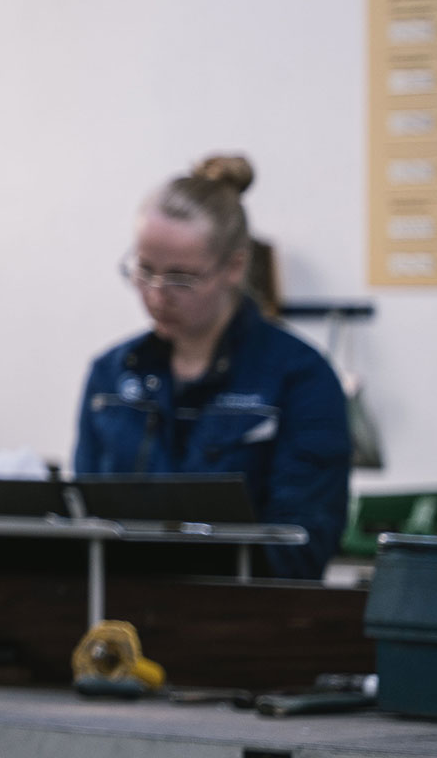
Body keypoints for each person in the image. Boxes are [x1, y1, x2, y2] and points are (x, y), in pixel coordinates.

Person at [74, 153, 349, 579]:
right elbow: (85, 524)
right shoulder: (111, 376)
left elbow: (301, 544)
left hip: (242, 621)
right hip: (121, 617)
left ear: (234, 267)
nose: (157, 295)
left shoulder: (300, 379)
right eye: (144, 271)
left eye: (181, 278)